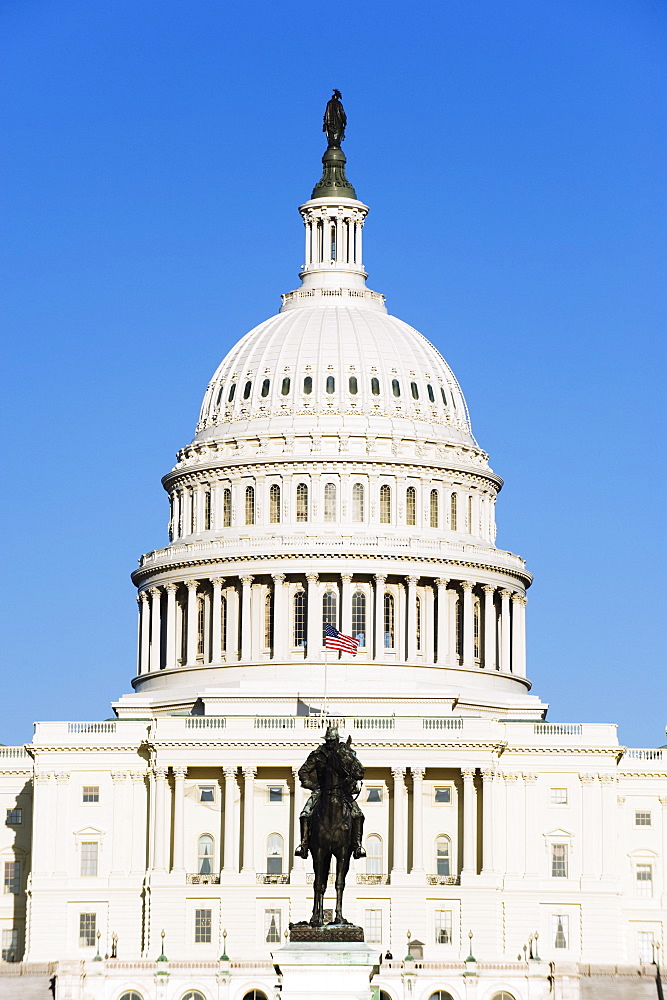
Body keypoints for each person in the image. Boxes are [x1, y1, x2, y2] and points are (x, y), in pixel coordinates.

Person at [294, 724, 366, 859]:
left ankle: (357, 845)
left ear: (337, 740)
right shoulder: (317, 755)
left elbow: (354, 768)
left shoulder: (343, 753)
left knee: (358, 814)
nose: (331, 743)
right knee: (306, 812)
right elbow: (303, 772)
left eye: (333, 741)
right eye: (329, 741)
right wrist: (313, 785)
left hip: (342, 791)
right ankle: (304, 845)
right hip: (321, 789)